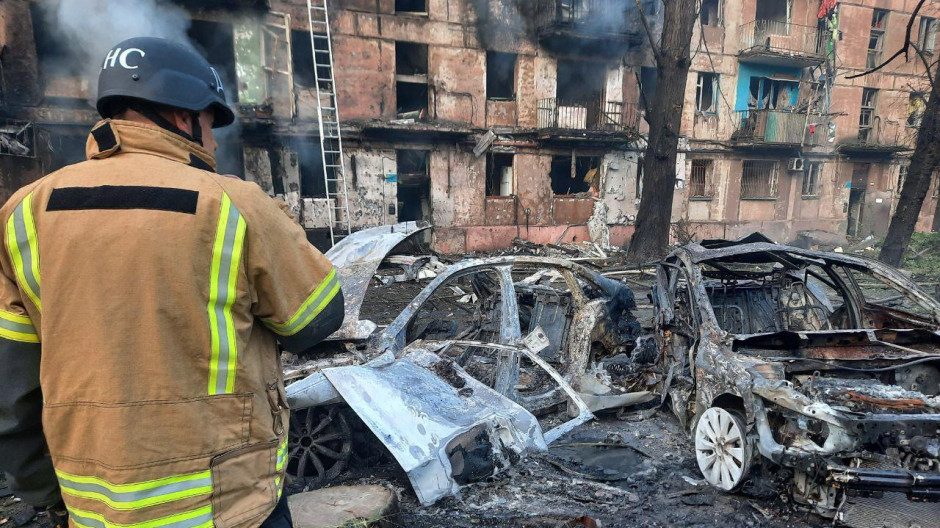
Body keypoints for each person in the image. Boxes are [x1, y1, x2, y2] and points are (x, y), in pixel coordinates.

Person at [0, 37, 344, 528]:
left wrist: (46, 494)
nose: (215, 141)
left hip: (92, 510)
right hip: (230, 506)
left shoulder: (23, 212)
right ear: (182, 117)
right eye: (210, 123)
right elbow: (317, 319)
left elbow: (12, 390)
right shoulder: (233, 203)